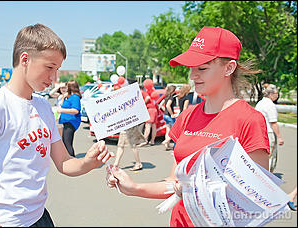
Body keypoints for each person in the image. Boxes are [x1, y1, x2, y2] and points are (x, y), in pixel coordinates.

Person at [106, 26, 270, 227]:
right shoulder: (187, 116)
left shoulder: (249, 120)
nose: (193, 76)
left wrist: (205, 191)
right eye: (191, 68)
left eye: (202, 68)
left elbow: (258, 196)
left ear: (229, 68)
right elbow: (174, 183)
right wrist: (133, 187)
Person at [0, 23, 114, 227]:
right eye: (49, 67)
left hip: (41, 217)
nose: (54, 78)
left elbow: (64, 162)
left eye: (57, 69)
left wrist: (87, 163)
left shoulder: (42, 106)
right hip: (4, 221)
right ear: (25, 59)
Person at [112, 83, 146, 171]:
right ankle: (116, 164)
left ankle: (138, 163)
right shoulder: (123, 100)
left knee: (132, 145)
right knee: (121, 145)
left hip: (128, 125)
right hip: (126, 125)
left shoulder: (123, 100)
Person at [255, 83, 284, 172]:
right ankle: (268, 178)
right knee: (270, 156)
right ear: (271, 94)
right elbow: (273, 122)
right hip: (269, 133)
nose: (277, 95)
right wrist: (279, 137)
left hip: (259, 133)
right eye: (276, 93)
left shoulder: (260, 103)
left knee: (261, 156)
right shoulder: (270, 105)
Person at [57, 80, 82, 157]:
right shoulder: (70, 97)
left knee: (67, 143)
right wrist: (64, 98)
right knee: (65, 142)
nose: (66, 88)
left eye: (67, 86)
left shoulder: (75, 97)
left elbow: (75, 110)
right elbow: (62, 104)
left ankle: (72, 160)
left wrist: (62, 110)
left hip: (71, 122)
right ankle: (69, 158)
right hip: (67, 122)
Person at [160, 85, 177, 150]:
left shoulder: (166, 96)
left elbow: (161, 105)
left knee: (168, 130)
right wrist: (171, 114)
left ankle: (167, 145)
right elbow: (168, 105)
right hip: (169, 116)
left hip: (165, 115)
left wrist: (165, 111)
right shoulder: (171, 97)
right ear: (172, 90)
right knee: (174, 130)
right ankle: (166, 141)